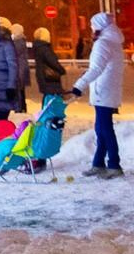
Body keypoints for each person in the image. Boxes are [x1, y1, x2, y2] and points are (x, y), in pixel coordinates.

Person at [69, 11, 124, 179]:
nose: (91, 29)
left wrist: (79, 86)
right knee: (101, 128)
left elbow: (96, 69)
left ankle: (114, 165)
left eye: (93, 26)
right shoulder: (113, 42)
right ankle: (98, 163)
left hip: (103, 91)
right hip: (108, 90)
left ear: (99, 27)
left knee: (105, 129)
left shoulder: (103, 43)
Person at [30, 27, 66, 99]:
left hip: (43, 77)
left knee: (47, 98)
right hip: (50, 79)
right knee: (52, 100)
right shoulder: (45, 49)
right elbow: (52, 62)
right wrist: (62, 70)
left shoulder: (38, 48)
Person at [9, 23, 32, 112]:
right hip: (22, 68)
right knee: (21, 90)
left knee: (18, 89)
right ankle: (22, 107)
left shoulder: (18, 42)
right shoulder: (22, 40)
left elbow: (14, 53)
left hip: (19, 69)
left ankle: (19, 108)